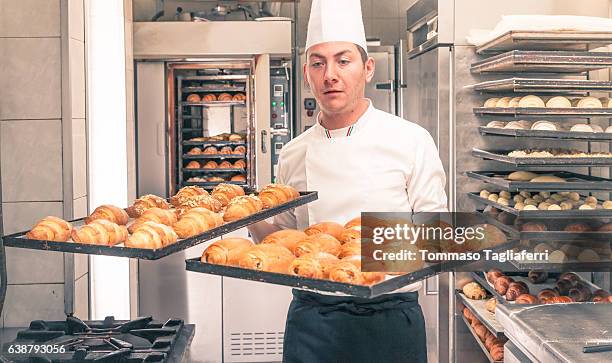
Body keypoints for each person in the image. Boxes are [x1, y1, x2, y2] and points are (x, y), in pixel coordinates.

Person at [248, 1, 447, 362]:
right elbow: (285, 240)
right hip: (314, 321)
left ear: (368, 68)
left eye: (343, 60)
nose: (330, 75)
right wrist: (245, 218)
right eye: (318, 63)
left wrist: (349, 250)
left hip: (389, 319)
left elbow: (437, 236)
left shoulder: (410, 139)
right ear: (307, 73)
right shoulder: (293, 152)